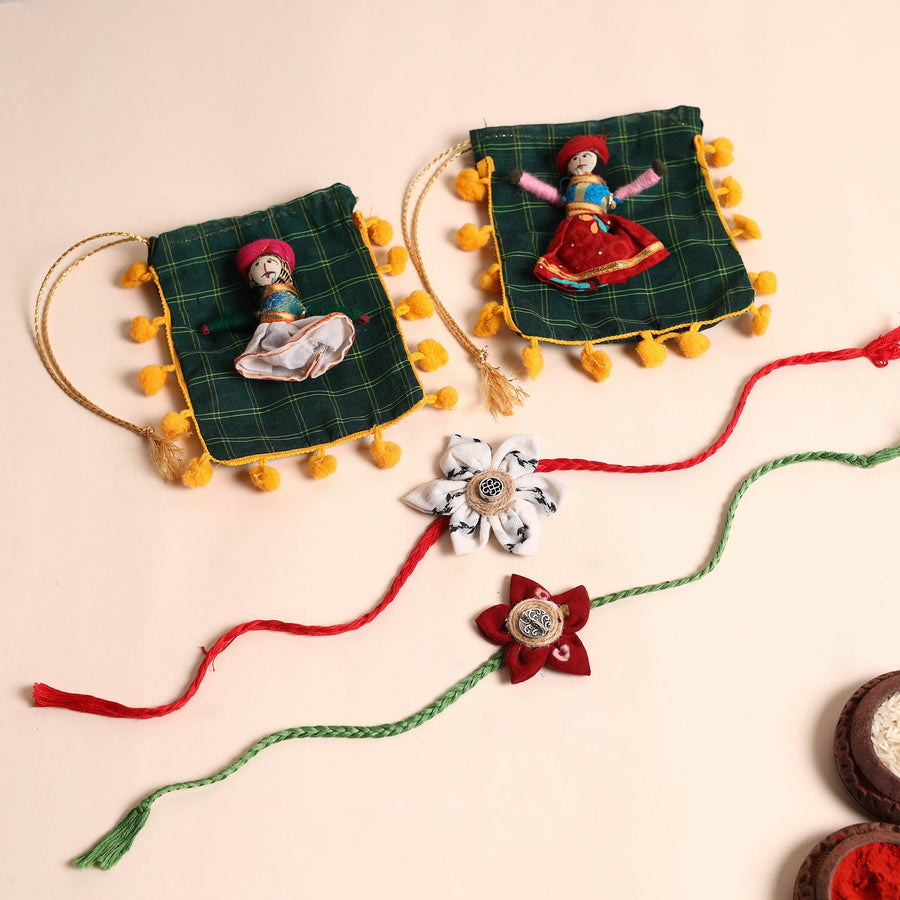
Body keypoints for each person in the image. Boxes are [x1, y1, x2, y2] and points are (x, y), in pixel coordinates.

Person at [513, 135, 669, 292]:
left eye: (586, 156)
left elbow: (631, 188)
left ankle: (599, 274)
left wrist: (653, 175)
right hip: (572, 227)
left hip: (595, 224)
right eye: (574, 159)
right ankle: (582, 276)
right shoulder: (568, 193)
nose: (580, 160)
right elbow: (548, 193)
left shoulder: (605, 193)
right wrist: (524, 180)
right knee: (568, 251)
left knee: (610, 248)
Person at [232, 238, 355, 381]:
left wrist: (354, 315)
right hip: (267, 328)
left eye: (270, 261)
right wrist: (214, 326)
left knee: (320, 329)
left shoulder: (292, 298)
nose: (264, 266)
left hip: (294, 324)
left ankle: (307, 358)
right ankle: (286, 360)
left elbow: (313, 310)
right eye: (257, 265)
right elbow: (240, 319)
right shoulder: (261, 305)